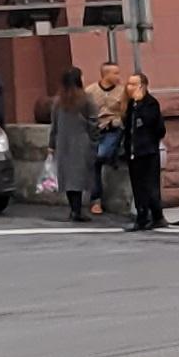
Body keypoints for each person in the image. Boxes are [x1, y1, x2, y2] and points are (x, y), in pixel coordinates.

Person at [119, 72, 168, 232]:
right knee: (138, 186)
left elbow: (156, 126)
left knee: (150, 186)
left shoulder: (150, 104)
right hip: (133, 151)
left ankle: (154, 216)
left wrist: (139, 105)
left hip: (147, 151)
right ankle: (145, 217)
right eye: (128, 84)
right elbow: (127, 127)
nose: (129, 87)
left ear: (143, 86)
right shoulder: (130, 105)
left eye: (134, 84)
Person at [51, 66, 100, 223]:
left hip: (63, 142)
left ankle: (74, 209)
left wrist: (51, 144)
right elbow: (93, 122)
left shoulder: (58, 101)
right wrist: (94, 140)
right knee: (79, 177)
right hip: (81, 142)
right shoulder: (86, 99)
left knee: (68, 178)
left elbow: (54, 125)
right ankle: (78, 210)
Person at [90, 60, 128, 217]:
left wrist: (116, 121)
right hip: (95, 129)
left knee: (100, 155)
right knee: (93, 161)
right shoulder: (90, 91)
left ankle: (112, 156)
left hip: (113, 129)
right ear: (106, 74)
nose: (119, 76)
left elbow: (125, 113)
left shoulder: (122, 91)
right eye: (115, 73)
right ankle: (95, 200)